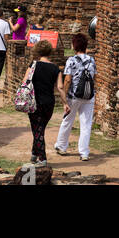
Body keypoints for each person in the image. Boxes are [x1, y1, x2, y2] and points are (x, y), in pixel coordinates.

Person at [54, 32, 95, 161]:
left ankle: (61, 146)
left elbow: (67, 80)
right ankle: (84, 153)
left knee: (67, 120)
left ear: (74, 46)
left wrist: (64, 97)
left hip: (74, 95)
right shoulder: (91, 60)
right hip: (88, 95)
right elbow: (94, 77)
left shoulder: (71, 60)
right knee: (86, 124)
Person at [23, 40, 59, 164]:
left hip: (35, 101)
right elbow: (59, 87)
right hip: (49, 103)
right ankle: (34, 153)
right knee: (39, 128)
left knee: (38, 129)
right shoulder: (55, 68)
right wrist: (65, 103)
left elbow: (24, 82)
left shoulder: (33, 65)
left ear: (38, 51)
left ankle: (42, 158)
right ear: (50, 52)